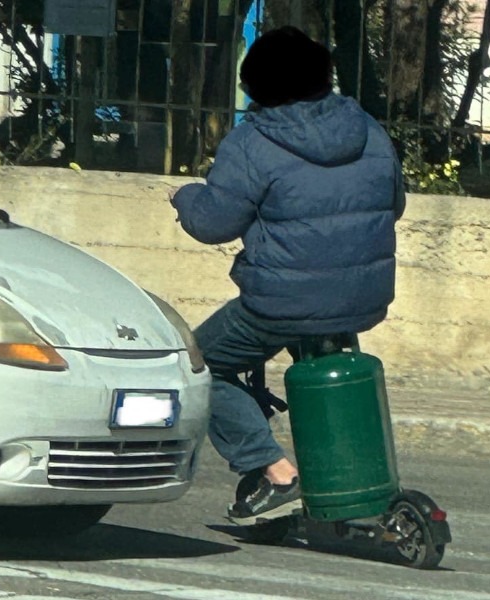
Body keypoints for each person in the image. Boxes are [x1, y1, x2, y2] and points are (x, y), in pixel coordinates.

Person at [169, 26, 406, 526]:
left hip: (280, 301)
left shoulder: (253, 141)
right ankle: (355, 479)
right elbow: (395, 204)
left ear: (255, 85)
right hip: (362, 296)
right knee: (330, 371)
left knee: (199, 366)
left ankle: (277, 475)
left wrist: (184, 197)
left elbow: (213, 224)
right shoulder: (366, 126)